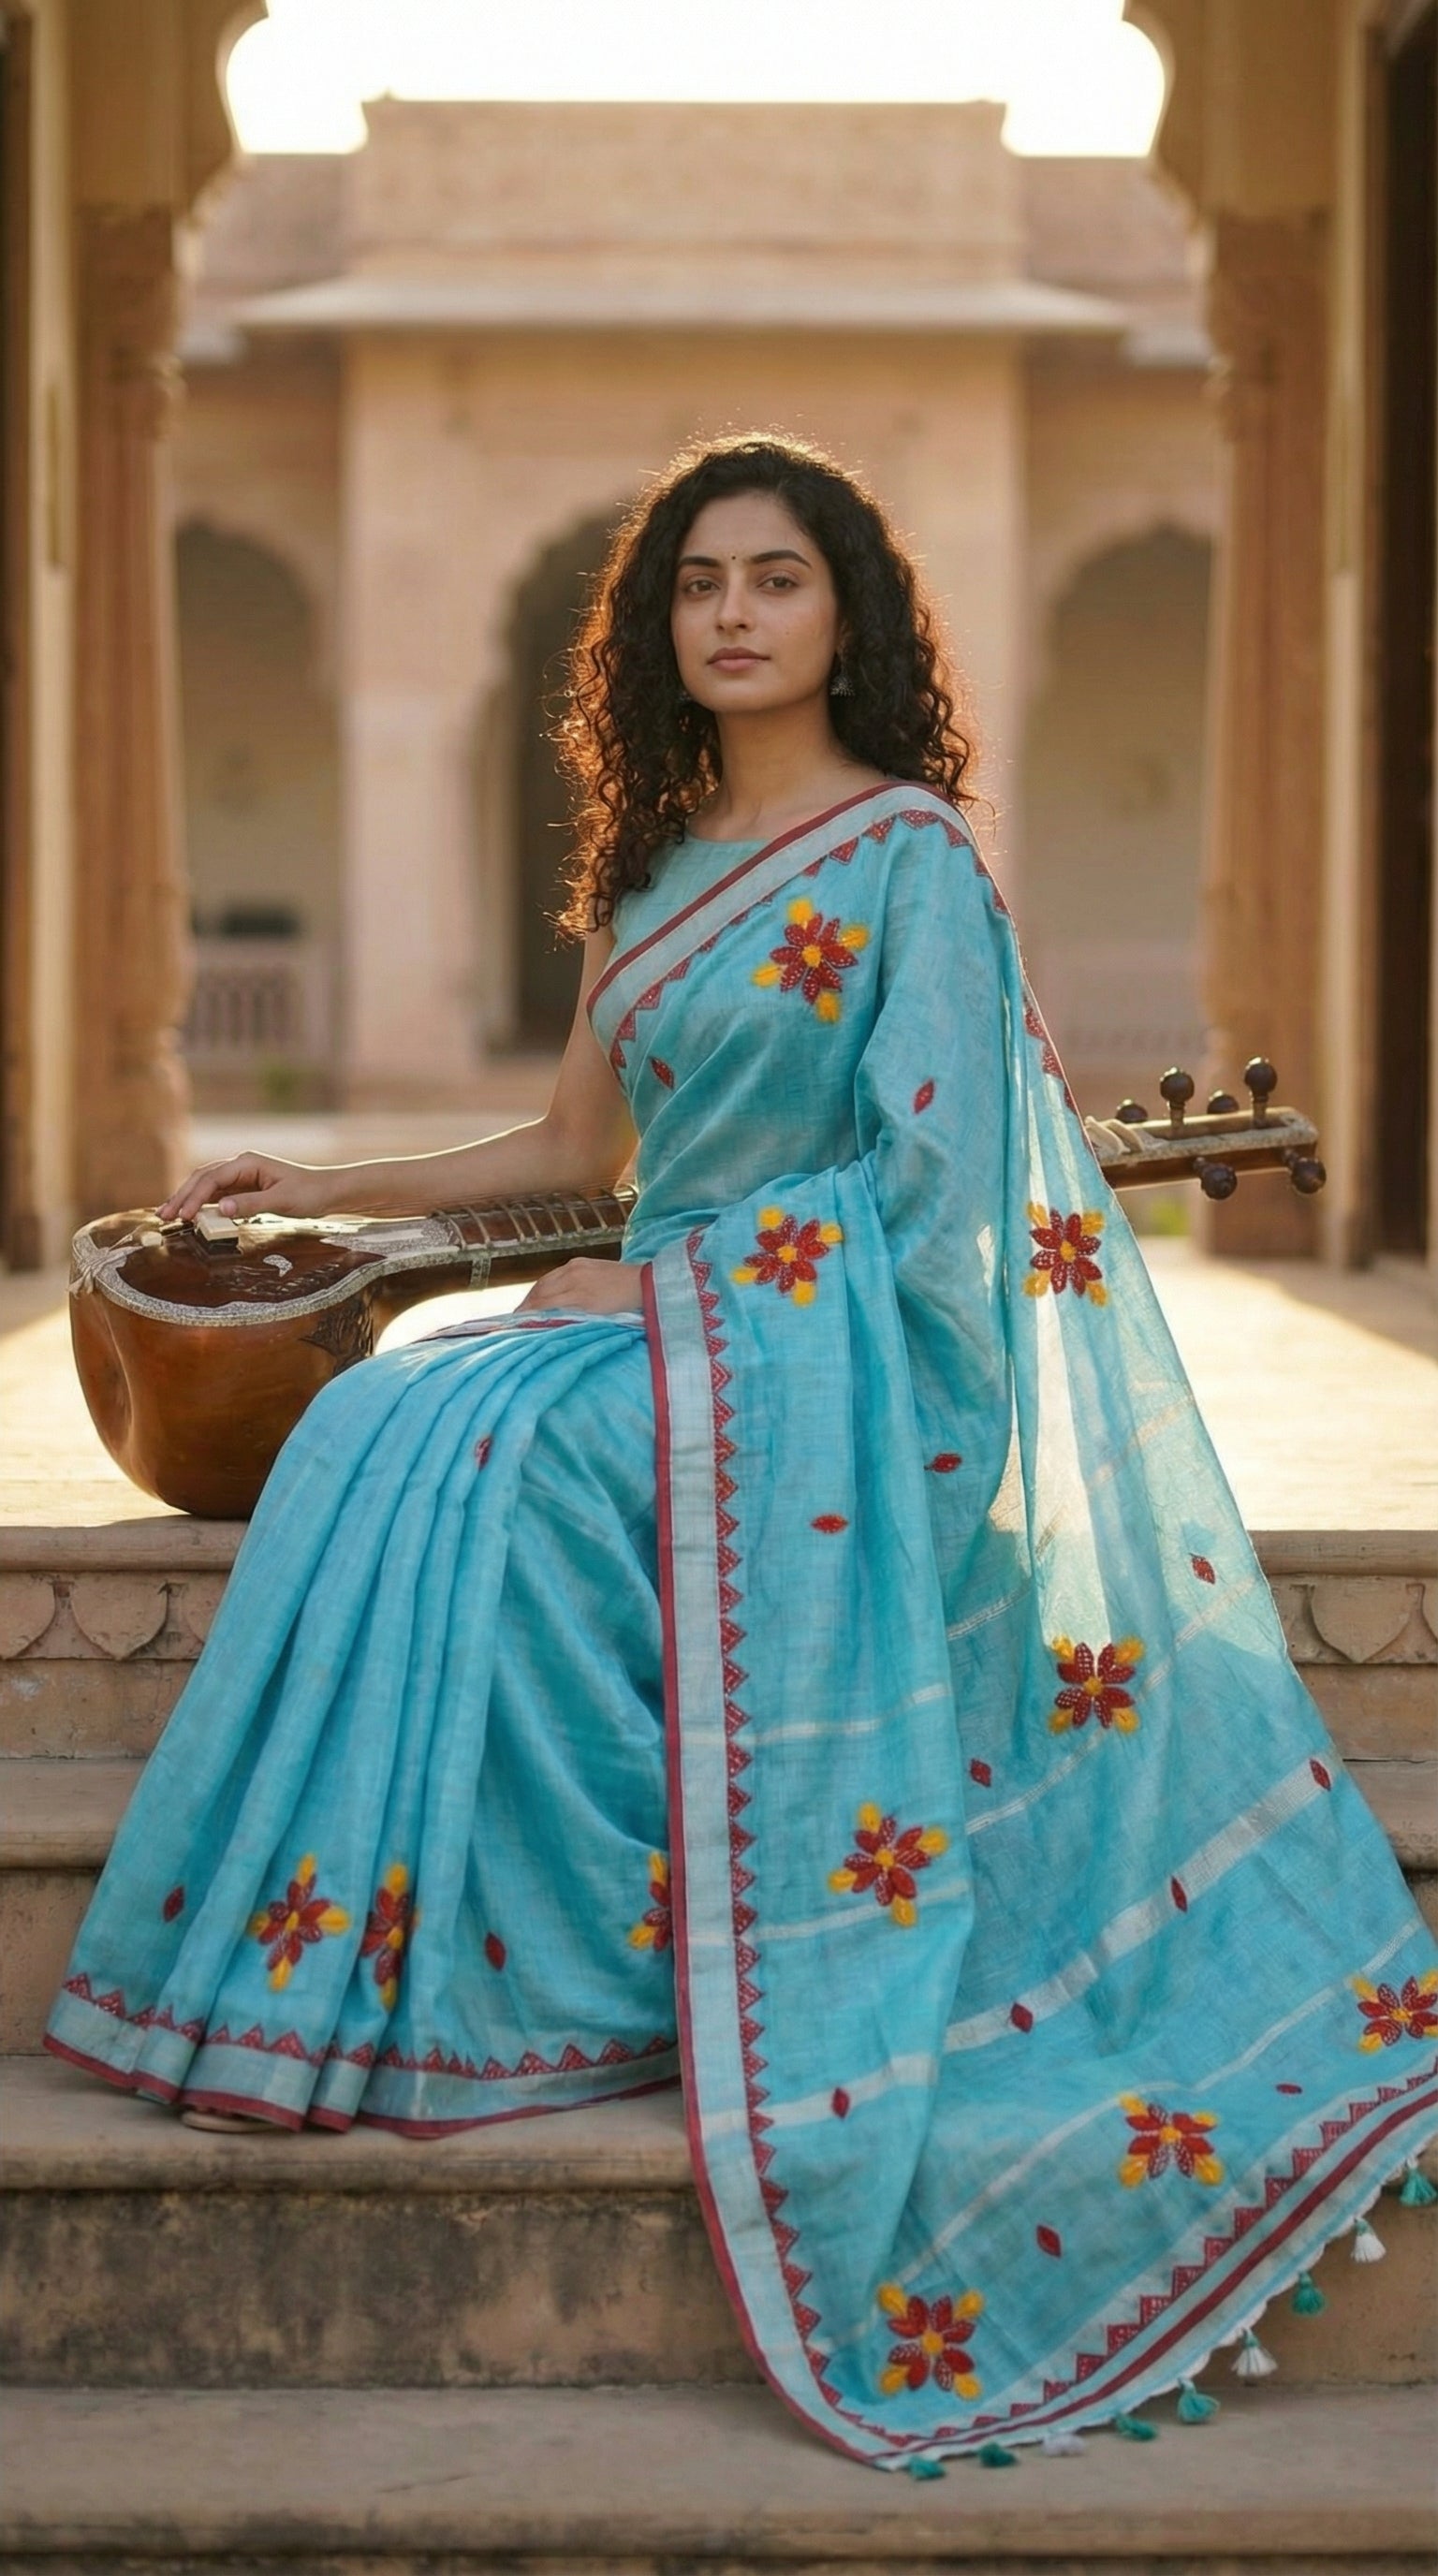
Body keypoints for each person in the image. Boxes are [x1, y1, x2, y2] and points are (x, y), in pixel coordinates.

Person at [47, 436, 1437, 2468]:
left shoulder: (911, 859)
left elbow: (944, 1185)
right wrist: (322, 1195)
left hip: (830, 1365)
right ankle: (372, 1980)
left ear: (847, 616)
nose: (732, 615)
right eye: (699, 584)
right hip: (686, 1317)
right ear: (656, 623)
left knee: (506, 1463)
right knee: (380, 1416)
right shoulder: (655, 866)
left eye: (777, 580)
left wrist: (687, 1300)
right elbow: (568, 1156)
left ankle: (588, 1971)